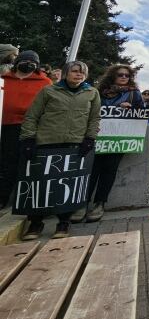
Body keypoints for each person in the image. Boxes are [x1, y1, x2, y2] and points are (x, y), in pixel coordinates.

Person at [19, 61, 100, 240]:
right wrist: (28, 138)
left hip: (74, 144)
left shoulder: (91, 93)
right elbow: (32, 116)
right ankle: (35, 222)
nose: (79, 75)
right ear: (65, 73)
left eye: (83, 72)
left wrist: (89, 138)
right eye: (75, 71)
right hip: (47, 142)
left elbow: (94, 118)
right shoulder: (49, 91)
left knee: (68, 184)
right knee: (41, 183)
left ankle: (64, 222)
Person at [71, 64, 143, 223]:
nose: (124, 77)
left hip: (119, 138)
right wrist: (116, 107)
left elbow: (142, 113)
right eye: (120, 75)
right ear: (113, 76)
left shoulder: (134, 94)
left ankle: (100, 203)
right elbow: (92, 110)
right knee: (91, 170)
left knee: (109, 171)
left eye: (127, 75)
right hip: (98, 137)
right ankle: (82, 204)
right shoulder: (99, 91)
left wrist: (131, 108)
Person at [0, 51, 52, 208]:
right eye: (26, 61)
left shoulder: (45, 83)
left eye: (33, 62)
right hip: (3, 126)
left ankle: (4, 198)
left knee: (13, 163)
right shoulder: (3, 79)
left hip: (26, 128)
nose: (29, 64)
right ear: (17, 63)